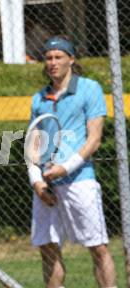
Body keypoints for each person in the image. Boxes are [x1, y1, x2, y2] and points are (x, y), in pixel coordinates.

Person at [27, 36, 117, 288]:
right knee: (47, 248)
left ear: (71, 59)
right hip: (45, 184)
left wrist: (64, 168)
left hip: (80, 181)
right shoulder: (39, 98)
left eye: (58, 57)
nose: (53, 62)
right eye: (48, 58)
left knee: (97, 247)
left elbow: (94, 139)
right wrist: (37, 182)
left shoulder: (90, 88)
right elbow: (34, 144)